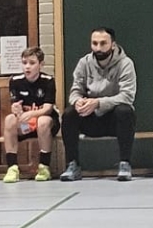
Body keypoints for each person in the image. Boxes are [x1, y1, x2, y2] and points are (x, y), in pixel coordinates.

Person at [58, 28, 137, 182]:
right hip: (90, 117)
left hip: (113, 118)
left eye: (103, 43)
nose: (98, 48)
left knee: (125, 111)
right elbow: (75, 91)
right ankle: (72, 165)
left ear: (113, 45)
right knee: (69, 114)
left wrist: (98, 103)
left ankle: (125, 163)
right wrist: (78, 101)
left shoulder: (125, 64)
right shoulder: (84, 63)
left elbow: (127, 96)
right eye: (94, 43)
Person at [2, 46, 59, 183]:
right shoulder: (15, 81)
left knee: (43, 121)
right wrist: (16, 109)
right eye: (24, 63)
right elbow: (15, 105)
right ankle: (12, 168)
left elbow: (48, 109)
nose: (27, 67)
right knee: (9, 119)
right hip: (25, 125)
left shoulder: (48, 81)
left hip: (45, 124)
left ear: (41, 65)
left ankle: (44, 167)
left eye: (32, 63)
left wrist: (32, 114)